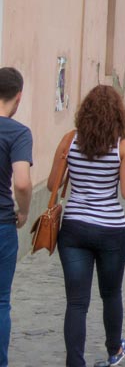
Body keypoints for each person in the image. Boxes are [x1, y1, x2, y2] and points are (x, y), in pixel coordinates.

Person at [48, 85, 125, 367]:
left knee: (76, 302)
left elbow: (52, 185)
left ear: (85, 112)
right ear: (118, 114)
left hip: (74, 228)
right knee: (111, 293)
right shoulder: (123, 147)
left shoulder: (69, 140)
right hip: (111, 230)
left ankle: (75, 362)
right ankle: (114, 350)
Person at [0, 68, 31, 367]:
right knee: (0, 302)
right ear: (18, 97)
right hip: (1, 225)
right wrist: (23, 210)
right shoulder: (18, 133)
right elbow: (21, 182)